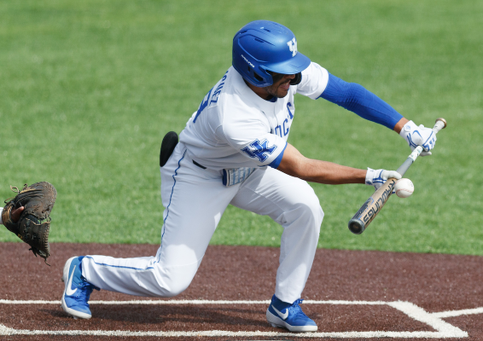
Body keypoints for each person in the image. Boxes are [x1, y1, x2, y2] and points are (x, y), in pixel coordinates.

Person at [61, 20, 437, 332]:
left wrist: (405, 128)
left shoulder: (283, 71)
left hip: (249, 172)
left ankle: (285, 305)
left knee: (306, 207)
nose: (293, 80)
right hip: (198, 177)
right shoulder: (234, 116)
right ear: (256, 71)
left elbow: (347, 94)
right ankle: (85, 270)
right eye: (284, 76)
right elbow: (300, 167)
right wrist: (370, 176)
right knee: (169, 280)